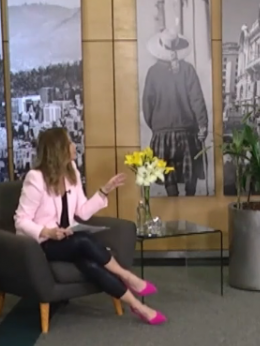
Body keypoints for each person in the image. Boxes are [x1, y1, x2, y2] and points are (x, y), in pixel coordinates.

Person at [15, 127, 167, 325]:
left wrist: (104, 190)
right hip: (43, 243)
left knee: (90, 265)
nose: (74, 145)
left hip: (68, 239)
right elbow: (20, 219)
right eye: (69, 142)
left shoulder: (72, 172)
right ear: (58, 149)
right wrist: (47, 232)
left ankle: (138, 306)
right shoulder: (35, 178)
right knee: (83, 240)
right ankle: (126, 276)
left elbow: (83, 211)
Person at [142, 28, 209, 197]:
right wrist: (202, 125)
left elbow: (147, 105)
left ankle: (174, 201)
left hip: (162, 133)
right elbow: (197, 99)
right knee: (190, 172)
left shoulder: (153, 72)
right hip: (187, 132)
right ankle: (189, 200)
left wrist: (157, 126)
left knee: (168, 173)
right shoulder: (188, 70)